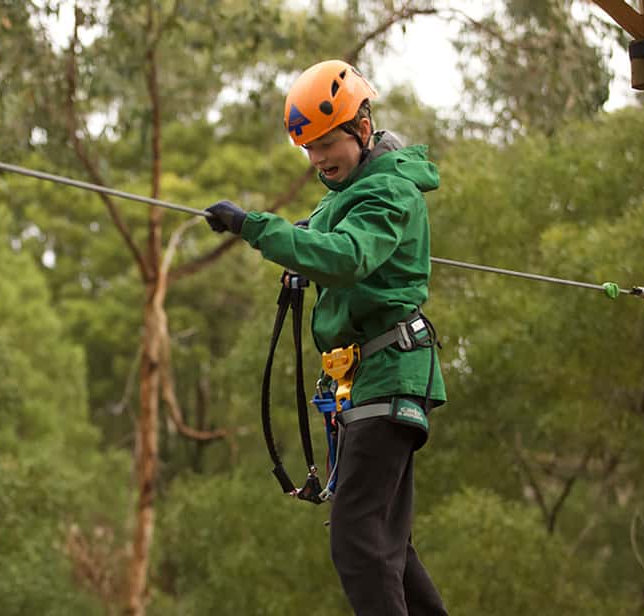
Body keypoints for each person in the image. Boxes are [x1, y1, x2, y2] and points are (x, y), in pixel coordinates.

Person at [204, 59, 449, 616]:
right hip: (367, 381)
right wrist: (294, 243)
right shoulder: (346, 196)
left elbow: (348, 256)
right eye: (308, 149)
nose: (317, 160)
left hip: (390, 372)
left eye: (326, 144)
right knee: (388, 547)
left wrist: (255, 227)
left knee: (358, 540)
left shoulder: (389, 192)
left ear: (362, 128)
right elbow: (325, 240)